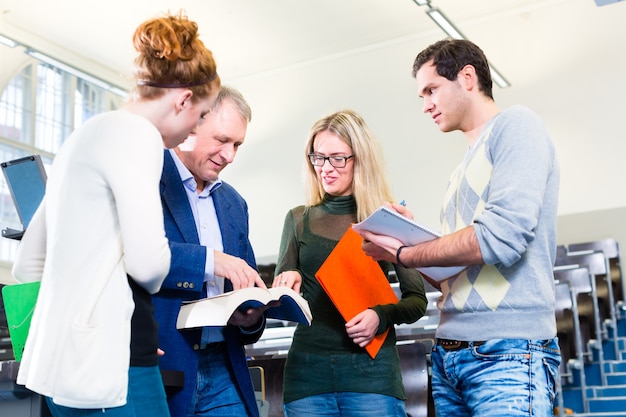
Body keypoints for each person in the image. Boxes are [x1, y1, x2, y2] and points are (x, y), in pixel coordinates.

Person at [11, 11, 220, 417]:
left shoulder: (83, 134)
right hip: (111, 366)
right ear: (182, 100)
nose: (193, 130)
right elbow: (149, 266)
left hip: (59, 368)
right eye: (199, 116)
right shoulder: (140, 137)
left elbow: (28, 263)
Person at [357, 38, 561, 417]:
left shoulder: (517, 125)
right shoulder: (458, 174)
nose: (425, 105)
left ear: (467, 78)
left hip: (507, 351)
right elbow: (453, 276)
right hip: (451, 352)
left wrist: (404, 253)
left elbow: (501, 238)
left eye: (431, 90)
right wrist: (402, 236)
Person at [273, 109, 428, 417]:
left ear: (360, 160)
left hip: (372, 377)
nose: (325, 168)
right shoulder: (297, 219)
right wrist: (286, 278)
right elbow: (283, 302)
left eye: (337, 158)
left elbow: (417, 301)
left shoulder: (387, 219)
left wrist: (380, 316)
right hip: (307, 379)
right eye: (318, 158)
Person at [152, 85, 268, 417]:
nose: (229, 155)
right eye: (221, 140)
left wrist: (250, 316)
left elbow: (244, 279)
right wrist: (212, 260)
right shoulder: (145, 176)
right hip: (164, 365)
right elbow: (138, 254)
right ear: (191, 125)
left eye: (237, 145)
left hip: (224, 366)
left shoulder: (234, 203)